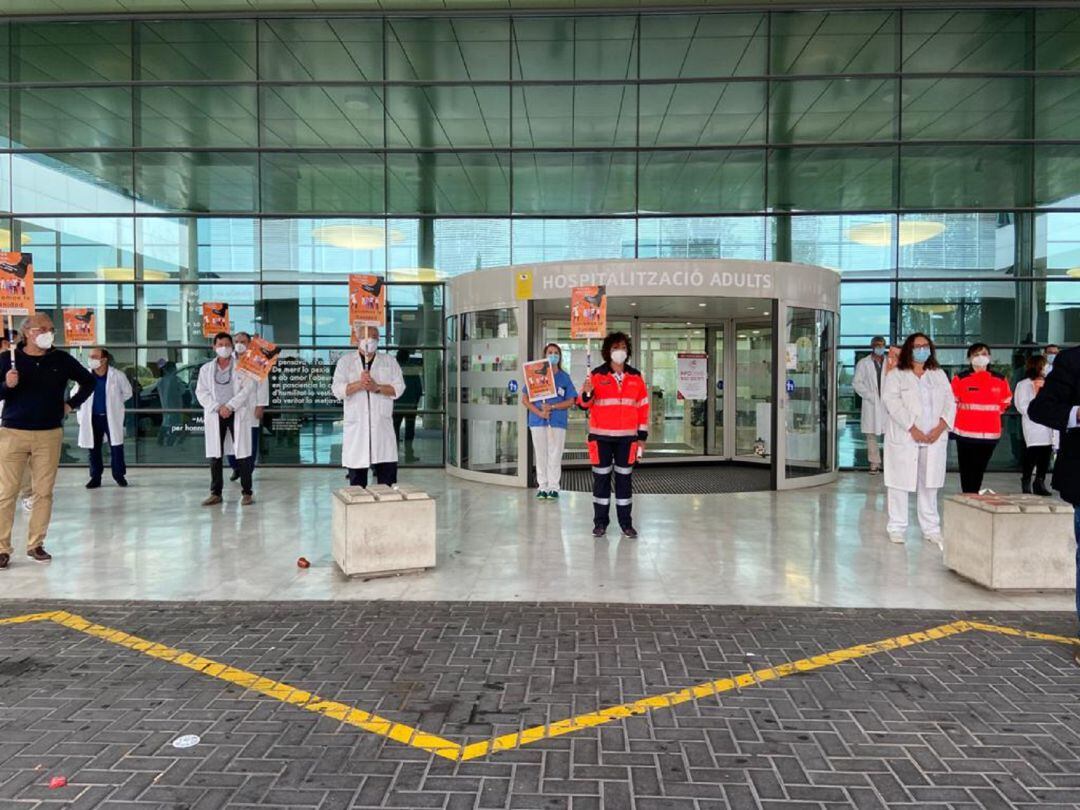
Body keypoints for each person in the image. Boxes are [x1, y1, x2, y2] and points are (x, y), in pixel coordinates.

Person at [0, 313, 95, 569]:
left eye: (51, 329)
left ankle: (36, 544)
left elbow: (88, 381)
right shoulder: (9, 359)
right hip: (13, 433)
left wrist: (70, 405)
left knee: (43, 493)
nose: (49, 333)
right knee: (6, 492)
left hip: (49, 433)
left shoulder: (61, 359)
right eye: (43, 328)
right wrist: (7, 386)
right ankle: (2, 548)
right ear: (28, 332)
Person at [881, 333, 956, 547]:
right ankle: (897, 527)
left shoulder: (938, 374)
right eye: (917, 346)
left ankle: (931, 528)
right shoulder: (897, 375)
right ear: (909, 350)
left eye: (925, 346)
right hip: (906, 437)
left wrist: (940, 427)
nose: (921, 349)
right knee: (899, 483)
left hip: (933, 437)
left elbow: (950, 402)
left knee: (929, 484)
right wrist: (912, 428)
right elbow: (891, 402)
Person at [578, 331, 649, 539]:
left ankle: (626, 524)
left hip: (627, 438)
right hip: (601, 438)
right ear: (608, 351)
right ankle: (600, 523)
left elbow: (643, 407)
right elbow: (583, 405)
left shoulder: (636, 377)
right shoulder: (596, 375)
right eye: (616, 348)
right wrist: (587, 393)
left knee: (624, 481)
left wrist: (641, 437)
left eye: (623, 348)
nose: (620, 352)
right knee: (600, 480)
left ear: (628, 352)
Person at [331, 325, 404, 487]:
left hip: (382, 430)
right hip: (357, 431)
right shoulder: (345, 362)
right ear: (357, 339)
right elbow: (337, 390)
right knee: (357, 486)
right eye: (365, 336)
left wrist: (376, 387)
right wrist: (359, 384)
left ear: (378, 340)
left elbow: (399, 389)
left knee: (387, 484)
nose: (369, 340)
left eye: (374, 337)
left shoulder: (389, 362)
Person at [195, 332, 257, 506]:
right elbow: (201, 392)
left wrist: (229, 406)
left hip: (236, 413)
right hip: (216, 414)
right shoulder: (206, 369)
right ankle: (215, 493)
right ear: (214, 347)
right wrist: (217, 407)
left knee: (242, 454)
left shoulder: (242, 366)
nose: (224, 348)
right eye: (220, 345)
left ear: (232, 347)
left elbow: (248, 388)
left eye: (227, 345)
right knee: (215, 454)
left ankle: (247, 492)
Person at [950, 343, 1012, 494]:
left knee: (979, 469)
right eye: (976, 354)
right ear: (969, 358)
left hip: (990, 434)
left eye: (983, 353)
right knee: (966, 470)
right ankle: (968, 497)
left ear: (989, 357)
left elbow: (1006, 402)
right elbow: (951, 403)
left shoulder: (999, 379)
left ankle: (973, 496)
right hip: (965, 433)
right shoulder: (960, 379)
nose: (980, 357)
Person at [525, 343, 578, 500]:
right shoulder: (535, 374)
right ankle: (542, 487)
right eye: (550, 352)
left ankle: (554, 487)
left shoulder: (564, 377)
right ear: (545, 354)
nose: (553, 355)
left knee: (555, 456)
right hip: (537, 421)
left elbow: (571, 400)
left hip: (557, 422)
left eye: (556, 353)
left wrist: (553, 406)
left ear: (560, 357)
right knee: (541, 455)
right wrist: (539, 413)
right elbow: (525, 399)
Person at [77, 347, 132, 489]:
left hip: (110, 417)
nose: (91, 360)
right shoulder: (85, 376)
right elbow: (75, 394)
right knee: (93, 448)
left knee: (116, 447)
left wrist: (115, 404)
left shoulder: (117, 375)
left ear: (104, 360)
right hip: (92, 417)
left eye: (94, 357)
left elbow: (127, 393)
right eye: (90, 356)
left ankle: (119, 475)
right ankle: (95, 477)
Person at [227, 332, 269, 481]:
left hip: (251, 407)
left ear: (250, 344)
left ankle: (247, 471)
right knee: (230, 443)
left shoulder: (258, 361)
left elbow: (263, 384)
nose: (239, 344)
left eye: (243, 341)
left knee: (250, 442)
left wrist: (261, 405)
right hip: (231, 407)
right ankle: (235, 468)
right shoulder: (228, 361)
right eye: (237, 341)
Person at [1014, 355, 1056, 496]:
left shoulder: (1049, 383)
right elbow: (1022, 405)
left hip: (1048, 423)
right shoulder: (1024, 384)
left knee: (1046, 454)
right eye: (1044, 365)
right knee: (1033, 453)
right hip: (1033, 424)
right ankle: (1026, 480)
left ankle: (1040, 482)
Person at [852, 336, 889, 474]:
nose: (880, 348)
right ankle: (874, 463)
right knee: (871, 435)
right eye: (877, 345)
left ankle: (890, 463)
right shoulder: (864, 363)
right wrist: (869, 395)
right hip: (871, 403)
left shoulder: (890, 362)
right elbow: (856, 383)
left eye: (882, 345)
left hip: (886, 403)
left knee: (889, 435)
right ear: (872, 347)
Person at [393, 348, 423, 463]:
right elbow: (419, 389)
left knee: (394, 431)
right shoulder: (412, 369)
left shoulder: (393, 370)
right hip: (410, 406)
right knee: (410, 431)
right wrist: (415, 402)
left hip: (395, 406)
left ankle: (393, 457)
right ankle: (409, 456)